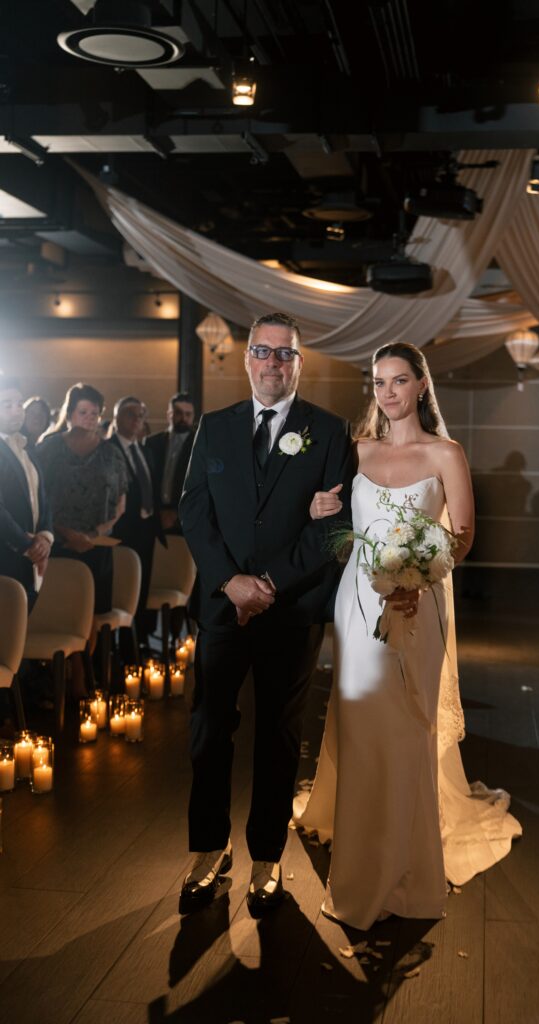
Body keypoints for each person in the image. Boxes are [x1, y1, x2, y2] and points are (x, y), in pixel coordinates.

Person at [294, 342, 522, 931]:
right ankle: (363, 848)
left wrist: (423, 575)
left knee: (407, 725)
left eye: (398, 381)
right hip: (358, 600)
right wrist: (318, 507)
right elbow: (326, 512)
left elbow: (464, 534)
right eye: (378, 383)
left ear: (421, 385)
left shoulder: (446, 453)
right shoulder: (355, 450)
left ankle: (405, 859)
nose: (388, 393)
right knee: (362, 719)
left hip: (418, 604)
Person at [178, 312, 353, 916]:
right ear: (247, 357)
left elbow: (333, 524)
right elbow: (193, 510)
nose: (273, 363)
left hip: (290, 610)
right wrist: (230, 582)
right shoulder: (215, 427)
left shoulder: (329, 430)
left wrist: (269, 583)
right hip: (224, 608)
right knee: (209, 730)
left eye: (286, 354)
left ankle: (267, 857)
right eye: (263, 351)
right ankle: (208, 848)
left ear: (300, 363)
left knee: (279, 737)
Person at [35, 383, 128, 615]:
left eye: (95, 414)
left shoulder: (111, 453)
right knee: (58, 613)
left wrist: (93, 535)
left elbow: (120, 502)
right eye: (83, 412)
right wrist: (68, 533)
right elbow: (37, 497)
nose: (89, 419)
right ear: (70, 414)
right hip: (57, 544)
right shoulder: (49, 448)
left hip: (97, 546)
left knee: (95, 615)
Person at [107, 396, 165, 648]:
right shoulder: (107, 449)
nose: (137, 420)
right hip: (120, 532)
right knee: (119, 592)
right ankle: (113, 654)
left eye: (141, 416)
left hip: (145, 529)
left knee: (141, 590)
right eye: (131, 414)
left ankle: (137, 647)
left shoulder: (144, 451)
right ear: (117, 417)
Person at [0, 378, 53, 610]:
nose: (16, 411)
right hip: (6, 555)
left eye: (19, 403)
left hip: (28, 559)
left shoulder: (27, 449)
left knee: (21, 633)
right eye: (7, 404)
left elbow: (42, 498)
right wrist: (27, 544)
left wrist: (45, 536)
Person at [147, 392, 196, 534]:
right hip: (153, 517)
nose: (184, 418)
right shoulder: (151, 443)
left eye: (188, 414)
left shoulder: (200, 445)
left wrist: (175, 512)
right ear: (169, 414)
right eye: (179, 413)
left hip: (185, 519)